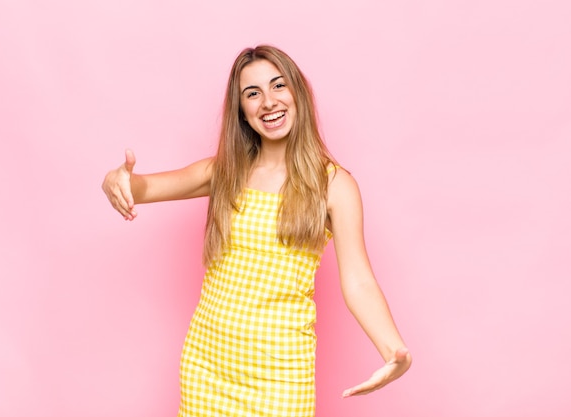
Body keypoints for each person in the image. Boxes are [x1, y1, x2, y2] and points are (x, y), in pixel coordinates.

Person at [102, 45, 411, 417]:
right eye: (253, 93)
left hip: (280, 375)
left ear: (297, 93)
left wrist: (393, 350)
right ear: (243, 113)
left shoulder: (334, 185)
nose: (268, 101)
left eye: (278, 86)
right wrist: (114, 180)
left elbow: (359, 281)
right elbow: (141, 187)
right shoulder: (225, 172)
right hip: (207, 365)